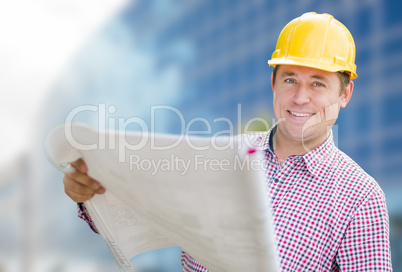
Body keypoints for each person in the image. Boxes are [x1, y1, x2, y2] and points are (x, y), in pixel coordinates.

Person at [62, 12, 393, 271]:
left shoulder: (360, 199)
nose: (300, 97)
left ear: (345, 93)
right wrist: (90, 193)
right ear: (274, 84)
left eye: (318, 84)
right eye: (290, 79)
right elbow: (144, 214)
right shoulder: (222, 154)